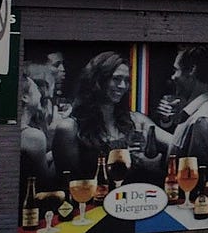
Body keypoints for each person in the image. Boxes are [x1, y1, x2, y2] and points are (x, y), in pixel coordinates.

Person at [51, 51, 151, 181]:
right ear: (97, 79)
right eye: (116, 79)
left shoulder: (135, 119)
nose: (122, 86)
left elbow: (176, 144)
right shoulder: (69, 128)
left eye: (127, 80)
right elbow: (69, 184)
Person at [154, 45, 208, 178]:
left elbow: (201, 185)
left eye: (176, 70)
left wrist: (153, 168)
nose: (173, 77)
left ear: (192, 70)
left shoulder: (203, 121)